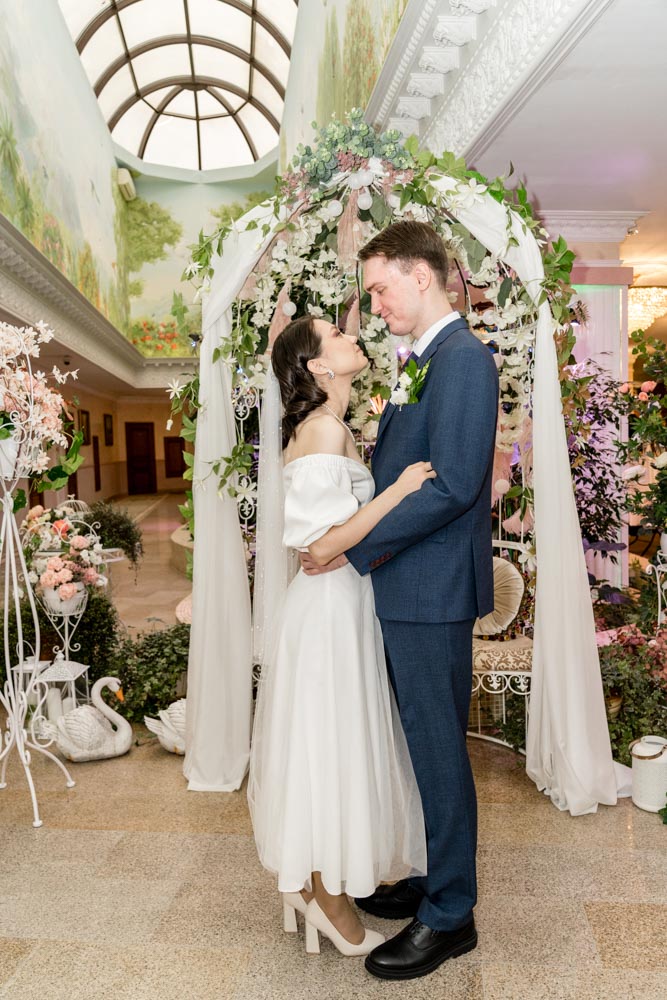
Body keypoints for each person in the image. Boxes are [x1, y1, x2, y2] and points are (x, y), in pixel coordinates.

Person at [302, 220, 499, 980]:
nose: (375, 305)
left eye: (381, 289)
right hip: (408, 582)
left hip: (429, 588)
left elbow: (452, 486)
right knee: (421, 742)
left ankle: (450, 914)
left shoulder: (463, 361)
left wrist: (351, 548)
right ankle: (430, 874)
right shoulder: (425, 360)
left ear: (422, 276)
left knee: (439, 749)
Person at [247, 314, 430, 958]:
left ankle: (315, 883)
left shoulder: (328, 423)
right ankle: (324, 896)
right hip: (327, 611)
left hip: (338, 604)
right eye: (337, 336)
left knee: (328, 743)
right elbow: (322, 546)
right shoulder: (323, 428)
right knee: (328, 745)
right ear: (318, 367)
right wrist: (399, 490)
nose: (353, 338)